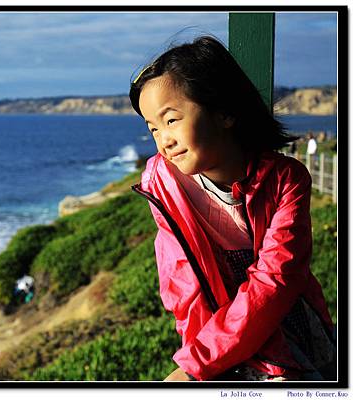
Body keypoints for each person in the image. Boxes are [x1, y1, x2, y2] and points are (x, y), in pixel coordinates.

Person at [129, 36, 335, 381]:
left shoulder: (286, 179)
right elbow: (182, 283)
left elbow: (275, 282)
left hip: (288, 332)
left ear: (224, 111)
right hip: (215, 343)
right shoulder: (162, 182)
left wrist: (199, 363)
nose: (163, 140)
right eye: (153, 128)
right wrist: (198, 362)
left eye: (171, 120)